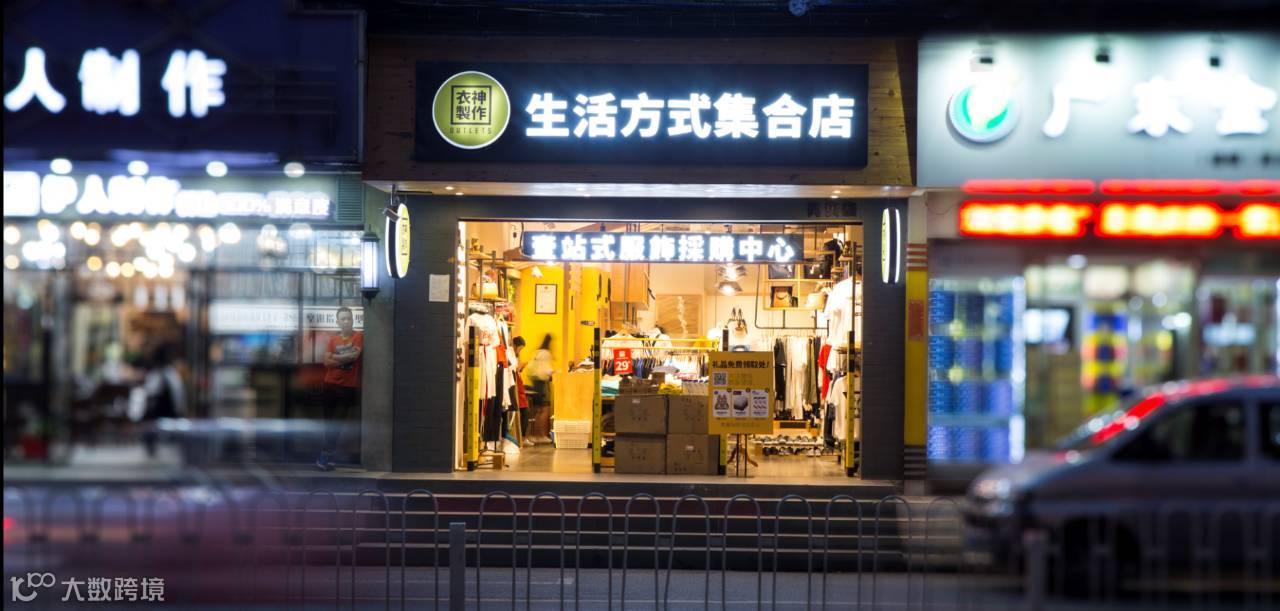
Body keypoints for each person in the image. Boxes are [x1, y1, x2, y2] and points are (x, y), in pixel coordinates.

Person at [317, 306, 363, 471]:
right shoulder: (333, 340)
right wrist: (343, 358)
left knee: (338, 423)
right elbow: (326, 362)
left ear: (353, 320)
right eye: (342, 319)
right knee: (329, 424)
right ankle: (328, 458)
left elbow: (354, 356)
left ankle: (324, 456)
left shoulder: (358, 336)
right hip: (330, 385)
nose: (346, 321)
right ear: (337, 322)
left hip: (347, 388)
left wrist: (335, 357)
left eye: (348, 318)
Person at [526, 334, 555, 444]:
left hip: (534, 383)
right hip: (541, 384)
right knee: (544, 410)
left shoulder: (537, 352)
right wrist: (553, 372)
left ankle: (535, 436)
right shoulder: (545, 354)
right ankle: (541, 435)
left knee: (538, 410)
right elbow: (545, 370)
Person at [511, 336, 533, 447]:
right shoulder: (510, 355)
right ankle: (521, 437)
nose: (519, 351)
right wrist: (520, 367)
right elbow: (514, 369)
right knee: (524, 413)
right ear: (514, 345)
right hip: (515, 388)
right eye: (520, 349)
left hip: (519, 387)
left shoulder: (515, 356)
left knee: (525, 413)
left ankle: (522, 437)